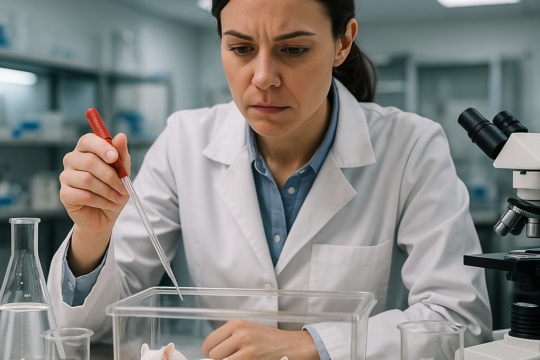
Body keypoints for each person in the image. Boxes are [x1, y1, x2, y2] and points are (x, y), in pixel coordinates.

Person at [47, 0, 493, 358]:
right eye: (241, 49)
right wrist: (93, 234)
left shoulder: (410, 146)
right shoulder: (183, 140)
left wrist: (311, 345)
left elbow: (458, 319)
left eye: (294, 49)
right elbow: (87, 333)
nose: (263, 78)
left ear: (342, 43)